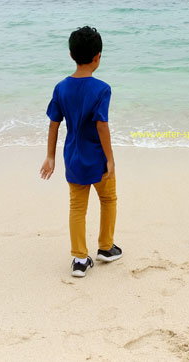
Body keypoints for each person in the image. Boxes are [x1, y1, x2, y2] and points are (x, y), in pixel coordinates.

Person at [40, 26, 122, 277]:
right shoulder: (101, 89)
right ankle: (106, 248)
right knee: (108, 199)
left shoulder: (61, 88)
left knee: (77, 207)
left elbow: (54, 123)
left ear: (71, 55)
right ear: (98, 56)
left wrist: (50, 157)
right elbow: (102, 125)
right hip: (96, 157)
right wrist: (110, 159)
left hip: (73, 157)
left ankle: (79, 259)